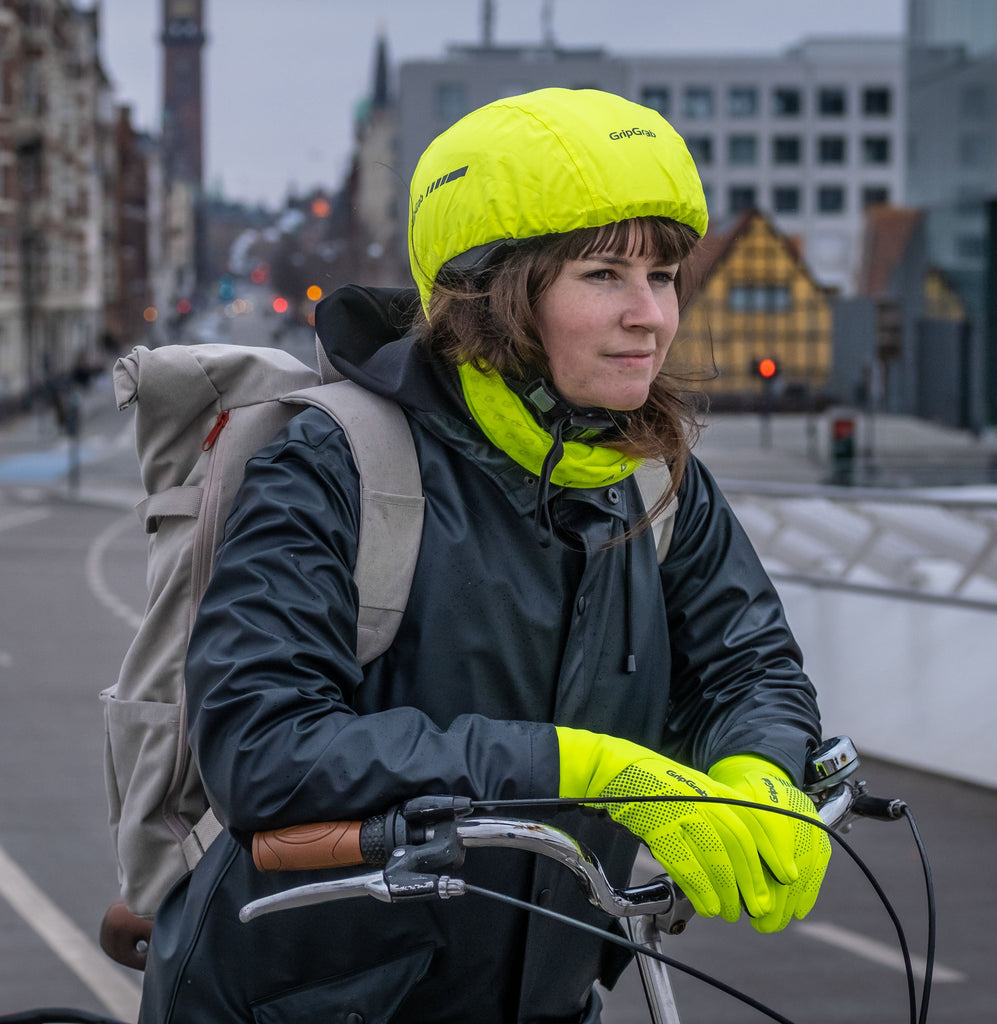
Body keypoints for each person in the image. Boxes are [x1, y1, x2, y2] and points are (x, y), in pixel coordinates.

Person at [138, 87, 830, 1024]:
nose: (652, 317)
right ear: (493, 298)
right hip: (306, 1004)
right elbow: (263, 748)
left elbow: (750, 666)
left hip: (548, 1000)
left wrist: (763, 771)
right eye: (603, 275)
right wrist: (578, 770)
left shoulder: (654, 479)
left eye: (664, 276)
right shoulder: (339, 464)